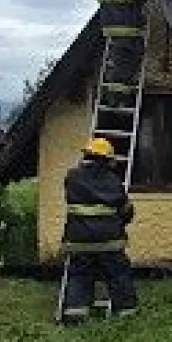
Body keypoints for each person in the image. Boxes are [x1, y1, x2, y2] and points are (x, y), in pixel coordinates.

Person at [60, 137, 138, 325]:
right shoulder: (113, 181)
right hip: (109, 241)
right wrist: (120, 222)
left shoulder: (72, 178)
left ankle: (75, 314)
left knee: (79, 275)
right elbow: (126, 211)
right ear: (107, 159)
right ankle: (126, 311)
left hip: (78, 241)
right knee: (118, 274)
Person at [93, 0, 153, 106]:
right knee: (129, 63)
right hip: (128, 26)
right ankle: (118, 100)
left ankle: (112, 95)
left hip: (108, 26)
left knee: (117, 61)